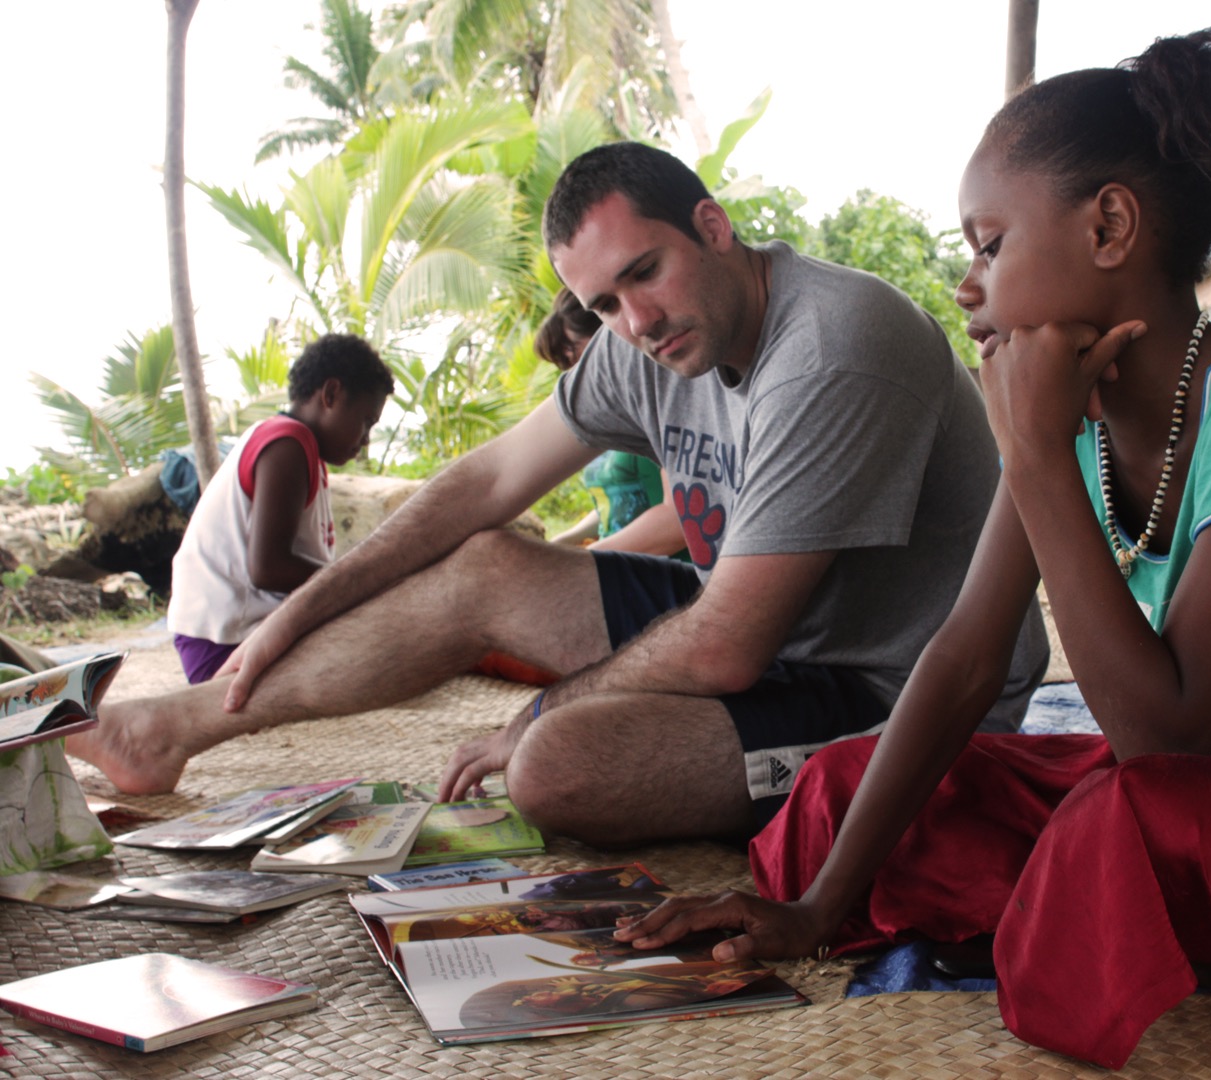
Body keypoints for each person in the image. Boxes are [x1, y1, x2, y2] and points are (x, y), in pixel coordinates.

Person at [610, 29, 1211, 1069]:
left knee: (1119, 825)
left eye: (990, 244)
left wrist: (1038, 455)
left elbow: (1167, 741)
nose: (968, 286)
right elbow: (964, 660)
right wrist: (820, 908)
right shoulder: (1075, 425)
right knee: (840, 792)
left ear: (1108, 226)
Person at [68, 142, 1050, 848]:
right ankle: (166, 730)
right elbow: (487, 480)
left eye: (646, 274)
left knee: (553, 767)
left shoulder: (834, 347)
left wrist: (528, 724)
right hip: (767, 636)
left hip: (900, 694)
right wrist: (304, 610)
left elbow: (724, 646)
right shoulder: (648, 340)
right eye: (603, 305)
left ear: (712, 227)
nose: (635, 321)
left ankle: (552, 738)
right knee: (483, 568)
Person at [166, 334, 393, 683]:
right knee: (392, 645)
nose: (364, 441)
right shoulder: (288, 442)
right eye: (366, 422)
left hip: (229, 634)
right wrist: (355, 583)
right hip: (227, 642)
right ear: (330, 394)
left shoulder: (295, 445)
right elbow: (268, 568)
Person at [534, 287, 684, 557]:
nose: (575, 373)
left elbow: (678, 521)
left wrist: (578, 560)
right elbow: (621, 503)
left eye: (574, 354)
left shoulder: (658, 400)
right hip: (615, 564)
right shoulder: (607, 413)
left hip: (667, 574)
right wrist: (563, 543)